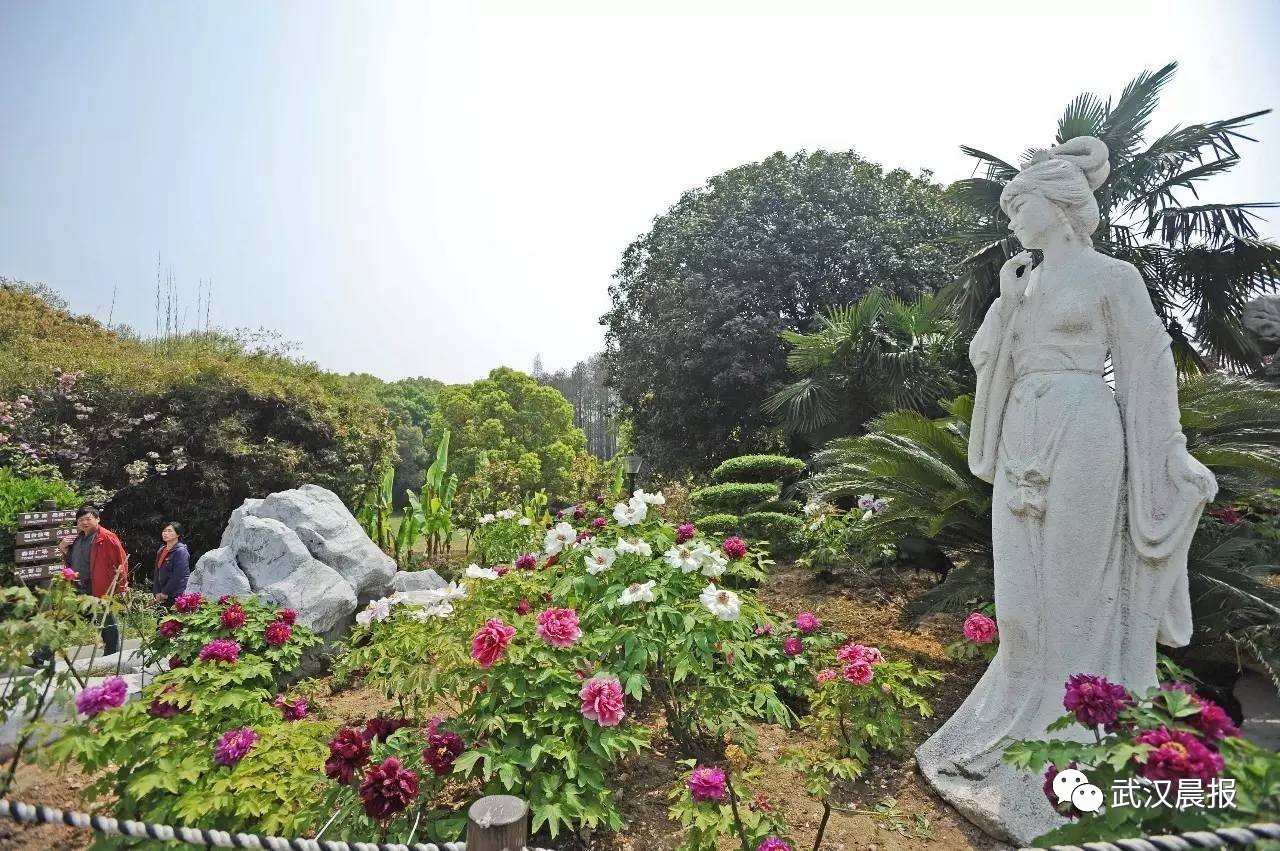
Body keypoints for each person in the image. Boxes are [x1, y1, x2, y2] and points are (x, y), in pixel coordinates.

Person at [914, 137, 1216, 844]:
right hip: (1023, 423)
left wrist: (1170, 453)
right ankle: (1012, 728)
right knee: (1019, 599)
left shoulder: (1115, 277)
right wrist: (1010, 305)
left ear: (1058, 206)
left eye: (1019, 206)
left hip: (1084, 429)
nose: (1012, 219)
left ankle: (1073, 747)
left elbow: (1148, 368)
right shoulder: (1022, 281)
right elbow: (989, 357)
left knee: (1079, 593)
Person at [58, 506, 130, 656]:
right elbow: (73, 563)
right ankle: (40, 655)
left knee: (107, 624)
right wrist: (63, 549)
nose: (84, 522)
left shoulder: (107, 537)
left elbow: (121, 562)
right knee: (65, 621)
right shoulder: (78, 539)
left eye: (88, 519)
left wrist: (121, 586)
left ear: (97, 519)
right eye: (80, 520)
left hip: (100, 588)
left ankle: (111, 656)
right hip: (78, 588)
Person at [153, 521, 190, 606]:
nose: (166, 533)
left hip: (175, 594)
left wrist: (166, 592)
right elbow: (157, 571)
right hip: (162, 593)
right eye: (164, 531)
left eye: (169, 531)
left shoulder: (181, 551)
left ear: (178, 534)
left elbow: (178, 575)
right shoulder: (161, 550)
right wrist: (157, 591)